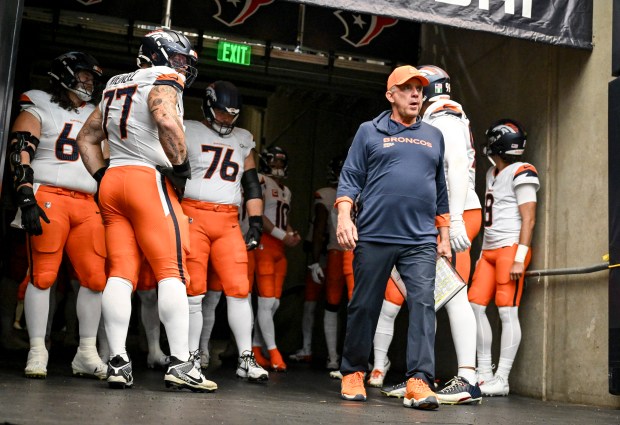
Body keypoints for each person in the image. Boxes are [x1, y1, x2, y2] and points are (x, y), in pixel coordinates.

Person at [76, 28, 216, 392]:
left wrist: (102, 175)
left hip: (114, 179)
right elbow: (166, 117)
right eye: (179, 59)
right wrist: (182, 165)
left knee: (120, 274)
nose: (182, 67)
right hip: (147, 180)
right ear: (156, 55)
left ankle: (118, 361)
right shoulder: (163, 79)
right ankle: (182, 362)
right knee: (172, 271)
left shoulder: (113, 86)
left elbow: (87, 138)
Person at [336, 65, 451, 409]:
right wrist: (344, 215)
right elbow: (350, 178)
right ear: (391, 95)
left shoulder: (434, 136)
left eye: (419, 88)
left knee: (423, 305)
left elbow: (440, 189)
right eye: (408, 88)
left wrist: (443, 234)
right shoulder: (368, 132)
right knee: (364, 305)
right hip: (374, 234)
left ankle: (419, 380)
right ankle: (353, 371)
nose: (416, 94)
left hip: (420, 239)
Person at [370, 65, 483, 405]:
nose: (415, 94)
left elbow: (456, 167)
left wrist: (457, 219)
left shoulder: (444, 117)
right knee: (428, 298)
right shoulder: (442, 117)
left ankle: (468, 376)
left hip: (455, 214)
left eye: (419, 87)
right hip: (444, 216)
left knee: (451, 293)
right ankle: (421, 375)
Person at [8, 51, 108, 380]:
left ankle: (86, 352)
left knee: (95, 279)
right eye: (83, 75)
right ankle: (38, 350)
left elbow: (105, 163)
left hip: (88, 202)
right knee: (44, 276)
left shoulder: (97, 114)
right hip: (48, 195)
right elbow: (20, 149)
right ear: (64, 73)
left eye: (92, 77)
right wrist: (25, 195)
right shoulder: (38, 105)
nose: (89, 82)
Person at [182, 80, 268, 381]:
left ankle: (246, 357)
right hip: (192, 214)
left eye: (232, 114)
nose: (226, 119)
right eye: (221, 113)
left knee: (239, 289)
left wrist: (256, 223)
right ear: (208, 107)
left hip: (229, 220)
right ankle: (190, 357)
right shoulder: (188, 129)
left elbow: (253, 184)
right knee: (194, 292)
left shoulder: (243, 138)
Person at [468, 119, 539, 397]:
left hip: (511, 248)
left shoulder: (523, 172)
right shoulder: (491, 173)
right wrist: (481, 253)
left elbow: (529, 219)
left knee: (507, 312)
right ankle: (484, 372)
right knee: (474, 306)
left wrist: (520, 257)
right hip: (489, 251)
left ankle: (502, 378)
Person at [289, 155, 346, 369]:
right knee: (341, 305)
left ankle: (316, 351)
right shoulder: (355, 191)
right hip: (339, 254)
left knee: (317, 304)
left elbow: (321, 227)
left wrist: (314, 260)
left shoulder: (326, 194)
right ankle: (340, 357)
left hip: (332, 253)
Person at [251, 146, 302, 372]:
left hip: (279, 247)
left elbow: (282, 218)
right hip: (264, 244)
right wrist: (282, 235)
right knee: (266, 301)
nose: (278, 167)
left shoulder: (286, 190)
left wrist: (290, 233)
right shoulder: (261, 181)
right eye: (274, 162)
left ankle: (255, 347)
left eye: (281, 162)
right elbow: (258, 213)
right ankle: (273, 351)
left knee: (274, 303)